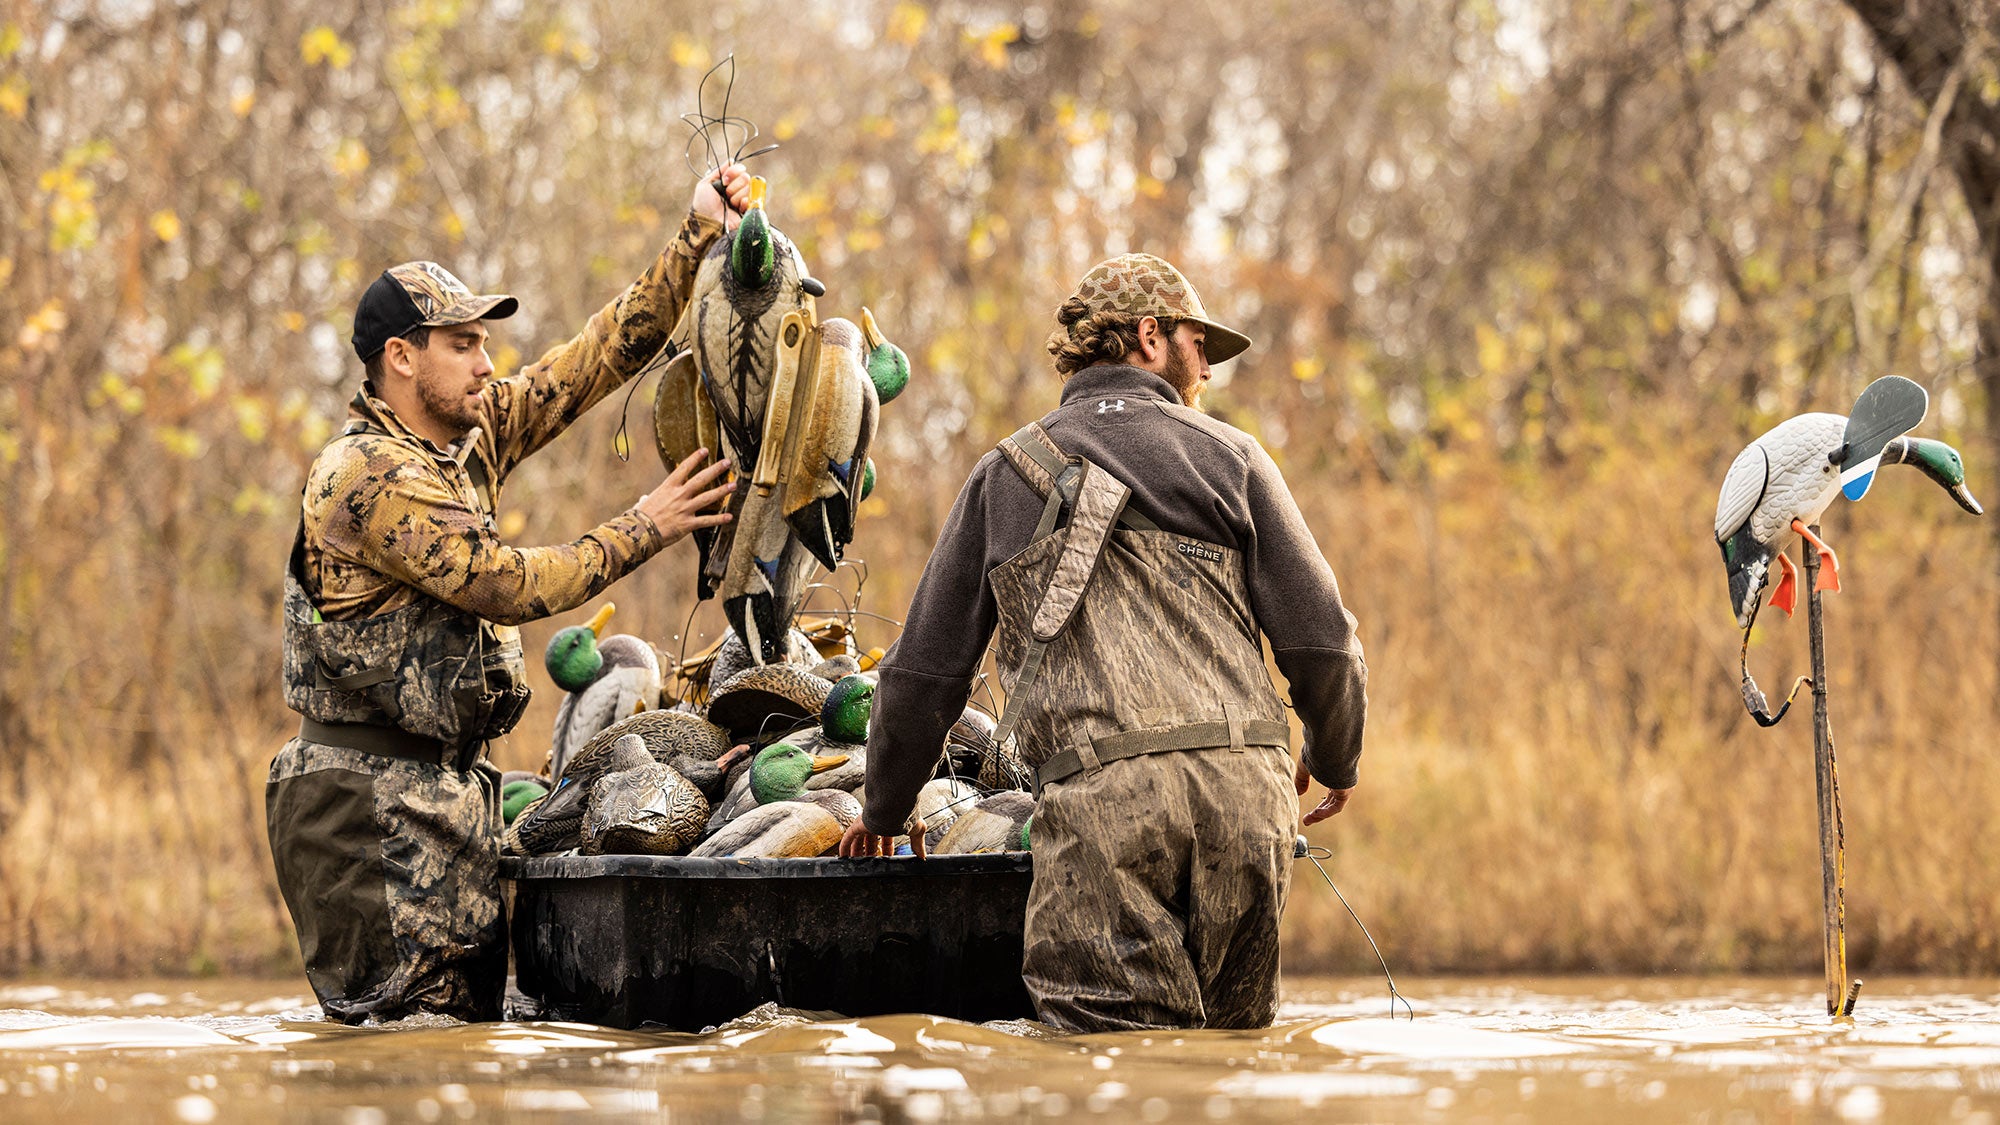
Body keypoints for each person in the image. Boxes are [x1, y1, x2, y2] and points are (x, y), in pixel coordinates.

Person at [266, 166, 752, 1024]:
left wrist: (698, 235)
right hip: (366, 815)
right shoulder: (368, 472)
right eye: (464, 343)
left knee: (461, 1046)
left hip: (447, 795)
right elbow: (507, 583)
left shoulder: (468, 438)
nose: (489, 363)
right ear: (402, 358)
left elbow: (594, 360)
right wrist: (647, 523)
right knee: (401, 1054)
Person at [839, 253, 1368, 1033]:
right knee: (1231, 1062)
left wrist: (883, 810)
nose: (1209, 372)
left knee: (1104, 1076)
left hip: (1106, 811)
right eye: (1200, 346)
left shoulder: (1004, 476)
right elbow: (1325, 641)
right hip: (1248, 804)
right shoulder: (1233, 459)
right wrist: (1334, 755)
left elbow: (922, 675)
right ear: (1149, 337)